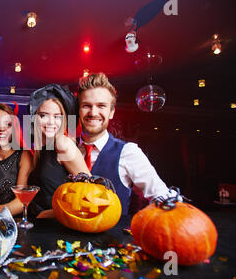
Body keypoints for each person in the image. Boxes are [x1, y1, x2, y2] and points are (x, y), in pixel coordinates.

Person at [77, 72, 180, 215]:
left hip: (113, 237)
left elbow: (161, 196)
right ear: (78, 110)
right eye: (86, 106)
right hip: (65, 237)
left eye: (101, 106)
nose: (93, 112)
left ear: (111, 112)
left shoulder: (128, 152)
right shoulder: (67, 149)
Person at [27, 84, 90, 218]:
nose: (51, 122)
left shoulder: (63, 143)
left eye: (57, 116)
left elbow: (89, 196)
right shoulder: (39, 150)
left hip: (58, 229)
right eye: (44, 115)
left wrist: (47, 214)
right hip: (38, 228)